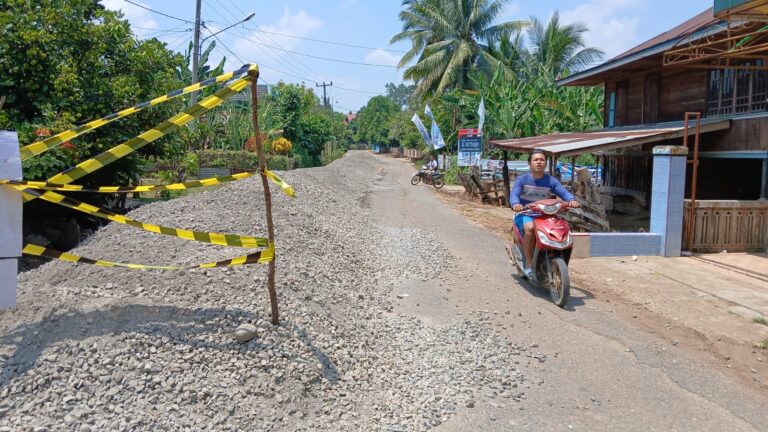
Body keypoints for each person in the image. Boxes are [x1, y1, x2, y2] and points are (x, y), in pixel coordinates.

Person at [510, 149, 580, 279]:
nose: (539, 162)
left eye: (542, 160)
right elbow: (514, 194)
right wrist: (516, 204)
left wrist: (571, 200)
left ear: (545, 163)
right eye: (535, 160)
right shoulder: (522, 179)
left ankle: (555, 257)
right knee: (530, 228)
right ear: (529, 163)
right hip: (525, 213)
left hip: (545, 215)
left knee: (561, 226)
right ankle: (529, 265)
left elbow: (563, 192)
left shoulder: (551, 181)